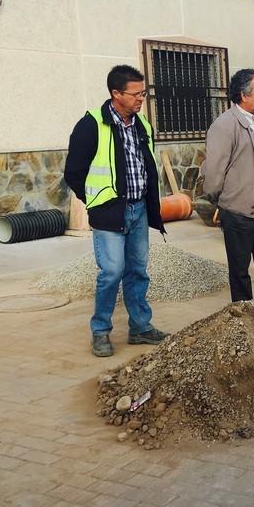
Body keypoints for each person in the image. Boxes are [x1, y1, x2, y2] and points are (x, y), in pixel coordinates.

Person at [64, 64, 170, 357]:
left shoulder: (142, 124)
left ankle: (140, 327)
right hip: (110, 212)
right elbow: (74, 172)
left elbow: (145, 165)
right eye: (135, 94)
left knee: (137, 271)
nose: (141, 99)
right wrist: (96, 200)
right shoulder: (91, 125)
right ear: (116, 94)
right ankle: (100, 331)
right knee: (111, 272)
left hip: (139, 209)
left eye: (143, 93)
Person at [202, 68, 254, 302]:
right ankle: (245, 314)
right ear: (243, 95)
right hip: (239, 210)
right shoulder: (225, 125)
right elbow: (214, 172)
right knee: (240, 269)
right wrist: (223, 202)